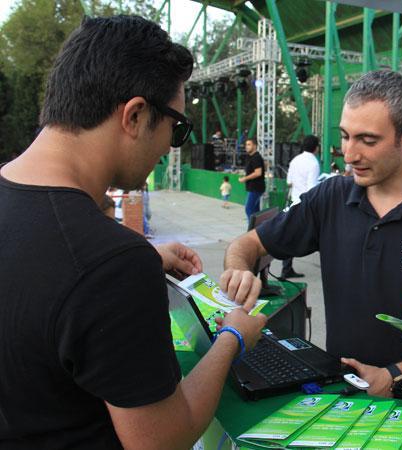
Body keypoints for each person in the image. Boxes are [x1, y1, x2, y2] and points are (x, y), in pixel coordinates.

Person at [0, 15, 265, 449]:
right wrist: (233, 337)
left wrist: (140, 260)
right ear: (136, 115)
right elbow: (162, 440)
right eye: (177, 128)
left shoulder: (95, 257)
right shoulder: (111, 263)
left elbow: (42, 277)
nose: (168, 148)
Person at [221, 70, 402, 404]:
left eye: (367, 141)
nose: (350, 154)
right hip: (340, 398)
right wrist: (238, 269)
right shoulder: (329, 198)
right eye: (345, 136)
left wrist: (395, 376)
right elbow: (248, 244)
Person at [280, 134, 321, 279]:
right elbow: (311, 188)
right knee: (320, 234)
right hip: (307, 205)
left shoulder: (295, 160)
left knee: (291, 235)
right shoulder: (314, 163)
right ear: (316, 148)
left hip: (294, 202)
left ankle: (286, 268)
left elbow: (289, 182)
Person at [238, 138, 265, 221]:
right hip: (254, 187)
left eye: (249, 144)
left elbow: (258, 172)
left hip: (256, 187)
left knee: (249, 209)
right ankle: (258, 227)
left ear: (255, 146)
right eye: (246, 145)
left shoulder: (256, 157)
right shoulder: (250, 157)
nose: (246, 146)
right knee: (255, 211)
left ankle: (252, 228)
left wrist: (245, 178)